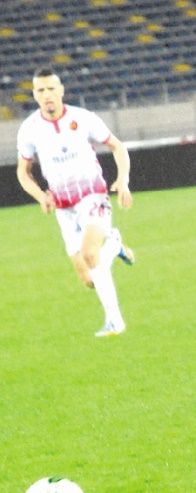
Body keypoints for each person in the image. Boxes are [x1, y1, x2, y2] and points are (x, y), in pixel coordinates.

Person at [16, 67, 135, 337]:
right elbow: (23, 172)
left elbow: (118, 147)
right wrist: (39, 195)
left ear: (61, 91)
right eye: (40, 91)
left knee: (91, 253)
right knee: (88, 279)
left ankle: (115, 322)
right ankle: (114, 244)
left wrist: (123, 181)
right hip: (63, 207)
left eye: (50, 89)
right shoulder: (30, 130)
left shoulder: (83, 119)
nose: (46, 95)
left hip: (92, 195)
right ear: (34, 95)